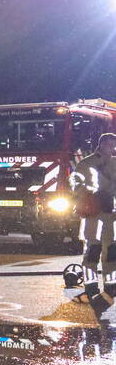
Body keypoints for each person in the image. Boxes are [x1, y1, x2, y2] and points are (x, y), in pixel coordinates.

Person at [70, 132, 116, 312]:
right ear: (102, 144)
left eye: (114, 146)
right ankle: (90, 288)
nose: (112, 149)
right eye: (110, 145)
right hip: (93, 216)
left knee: (111, 254)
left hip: (111, 217)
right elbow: (74, 183)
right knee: (92, 253)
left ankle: (110, 287)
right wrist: (92, 193)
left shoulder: (114, 162)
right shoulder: (86, 163)